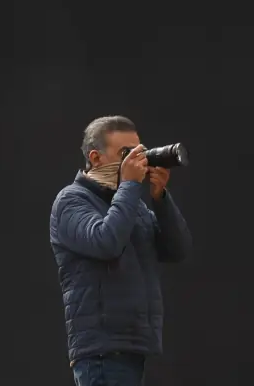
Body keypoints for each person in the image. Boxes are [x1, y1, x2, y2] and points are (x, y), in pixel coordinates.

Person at [49, 115, 192, 386]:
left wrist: (161, 198)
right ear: (95, 157)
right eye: (126, 153)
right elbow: (106, 242)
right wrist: (129, 186)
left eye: (139, 151)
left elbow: (177, 250)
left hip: (133, 345)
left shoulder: (131, 205)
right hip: (102, 350)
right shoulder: (71, 201)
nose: (137, 160)